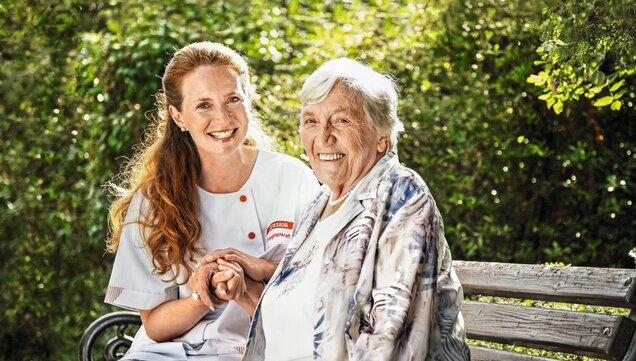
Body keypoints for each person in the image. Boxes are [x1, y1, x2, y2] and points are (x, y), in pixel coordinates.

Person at [239, 58, 471, 360]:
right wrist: (252, 281)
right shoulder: (320, 203)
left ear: (381, 137)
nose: (323, 137)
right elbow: (305, 308)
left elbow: (389, 335)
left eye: (342, 121)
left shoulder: (401, 195)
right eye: (311, 121)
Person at [103, 41, 319, 361]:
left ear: (248, 101)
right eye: (203, 105)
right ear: (178, 116)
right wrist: (206, 295)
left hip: (272, 347)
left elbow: (319, 284)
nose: (222, 117)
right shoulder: (154, 200)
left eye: (233, 99)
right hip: (172, 353)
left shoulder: (292, 178)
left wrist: (251, 272)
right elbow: (155, 326)